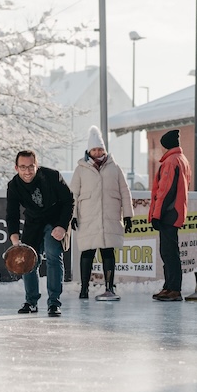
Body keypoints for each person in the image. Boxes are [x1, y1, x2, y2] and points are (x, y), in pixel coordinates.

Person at [6, 150, 75, 317]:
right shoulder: (14, 185)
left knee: (53, 255)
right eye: (23, 167)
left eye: (31, 167)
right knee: (28, 261)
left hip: (55, 220)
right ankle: (31, 301)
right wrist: (14, 235)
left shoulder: (52, 176)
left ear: (36, 165)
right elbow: (12, 213)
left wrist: (62, 226)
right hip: (33, 223)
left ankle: (54, 302)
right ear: (16, 168)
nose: (27, 171)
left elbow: (69, 201)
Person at [69, 126, 134, 301]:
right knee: (87, 253)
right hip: (88, 217)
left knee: (107, 252)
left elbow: (124, 191)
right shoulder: (81, 169)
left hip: (109, 217)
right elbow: (73, 194)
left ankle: (109, 287)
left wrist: (128, 215)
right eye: (94, 149)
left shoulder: (114, 167)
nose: (98, 152)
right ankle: (84, 289)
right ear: (89, 151)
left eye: (100, 149)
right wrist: (72, 215)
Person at [149, 129, 192, 302]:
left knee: (169, 253)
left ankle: (173, 288)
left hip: (169, 213)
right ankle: (169, 287)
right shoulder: (182, 160)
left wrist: (157, 215)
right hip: (176, 211)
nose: (161, 149)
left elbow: (165, 191)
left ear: (166, 145)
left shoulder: (171, 162)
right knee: (170, 251)